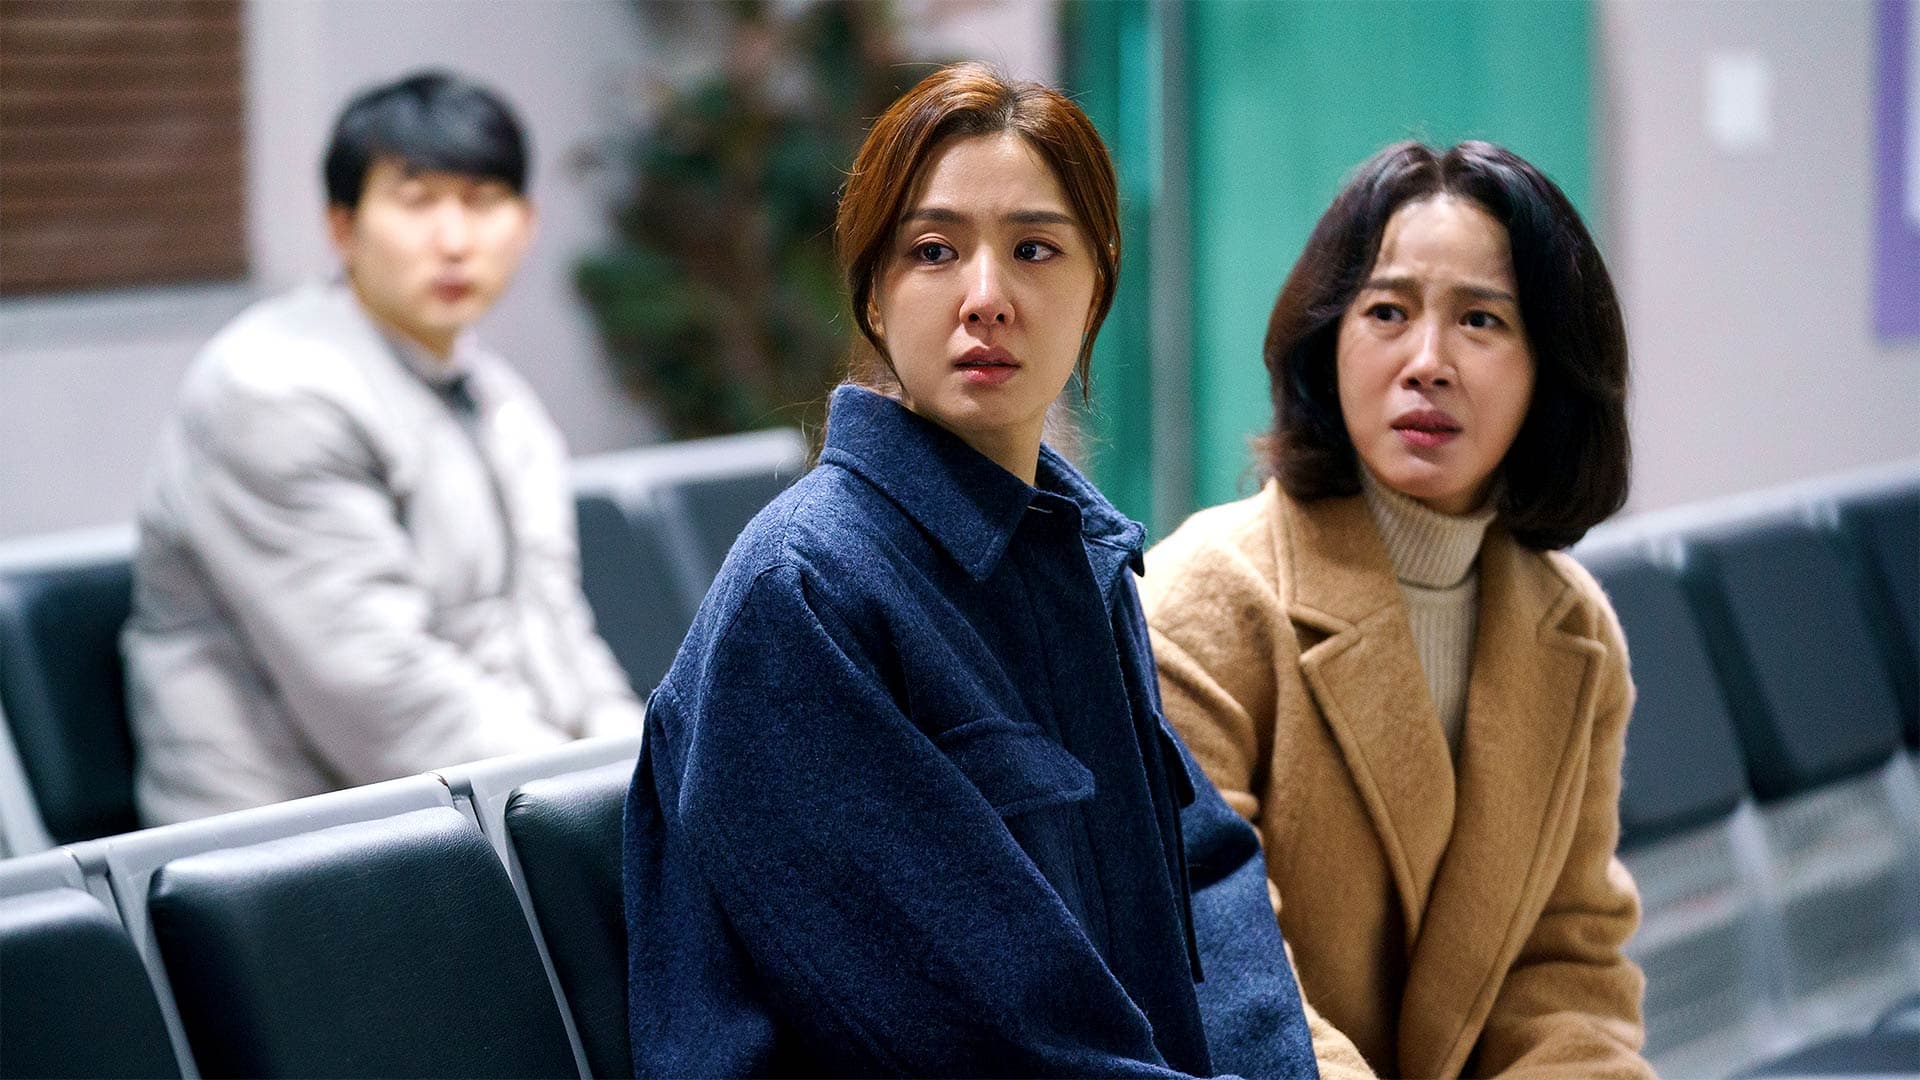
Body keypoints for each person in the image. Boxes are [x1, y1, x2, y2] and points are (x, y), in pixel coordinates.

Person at [623, 63, 1316, 1077]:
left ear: (1096, 289)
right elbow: (970, 1034)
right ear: (873, 293)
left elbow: (1206, 874)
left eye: (1035, 250)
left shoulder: (1078, 557)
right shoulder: (805, 591)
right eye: (934, 252)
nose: (986, 298)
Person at [1142, 141, 1652, 1079]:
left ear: (1549, 366)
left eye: (1481, 320)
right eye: (1387, 312)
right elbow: (1224, 975)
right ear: (1327, 340)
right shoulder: (1206, 600)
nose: (1428, 362)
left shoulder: (1574, 633)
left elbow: (1566, 971)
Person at [124, 71, 643, 825]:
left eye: (482, 201)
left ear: (527, 224)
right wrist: (599, 812)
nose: (455, 241)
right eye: (417, 201)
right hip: (279, 848)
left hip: (466, 810)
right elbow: (380, 693)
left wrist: (654, 774)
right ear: (342, 227)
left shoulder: (502, 403)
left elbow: (556, 634)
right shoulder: (272, 389)